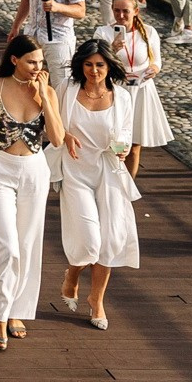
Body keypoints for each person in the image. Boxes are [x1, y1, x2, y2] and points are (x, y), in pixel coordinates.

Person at [0, 36, 60, 349]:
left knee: (28, 243)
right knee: (7, 245)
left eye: (41, 63)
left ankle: (17, 309)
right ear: (14, 60)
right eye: (32, 61)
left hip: (35, 171)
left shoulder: (46, 91)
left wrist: (44, 98)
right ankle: (1, 314)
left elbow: (58, 139)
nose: (37, 68)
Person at [55, 40, 139, 330]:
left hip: (109, 170)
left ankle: (96, 299)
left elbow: (126, 134)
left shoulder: (123, 98)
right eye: (88, 64)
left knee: (112, 238)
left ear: (109, 66)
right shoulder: (66, 89)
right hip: (76, 169)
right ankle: (73, 274)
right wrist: (65, 135)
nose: (94, 70)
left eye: (100, 65)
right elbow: (49, 124)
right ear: (81, 65)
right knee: (90, 238)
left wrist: (124, 148)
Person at [98, 0, 171, 175]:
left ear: (136, 11)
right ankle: (112, 179)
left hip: (141, 91)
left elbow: (156, 61)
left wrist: (154, 69)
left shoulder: (149, 32)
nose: (120, 15)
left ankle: (127, 187)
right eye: (116, 11)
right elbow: (97, 65)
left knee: (135, 144)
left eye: (125, 11)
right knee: (115, 141)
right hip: (116, 91)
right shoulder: (103, 33)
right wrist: (111, 50)